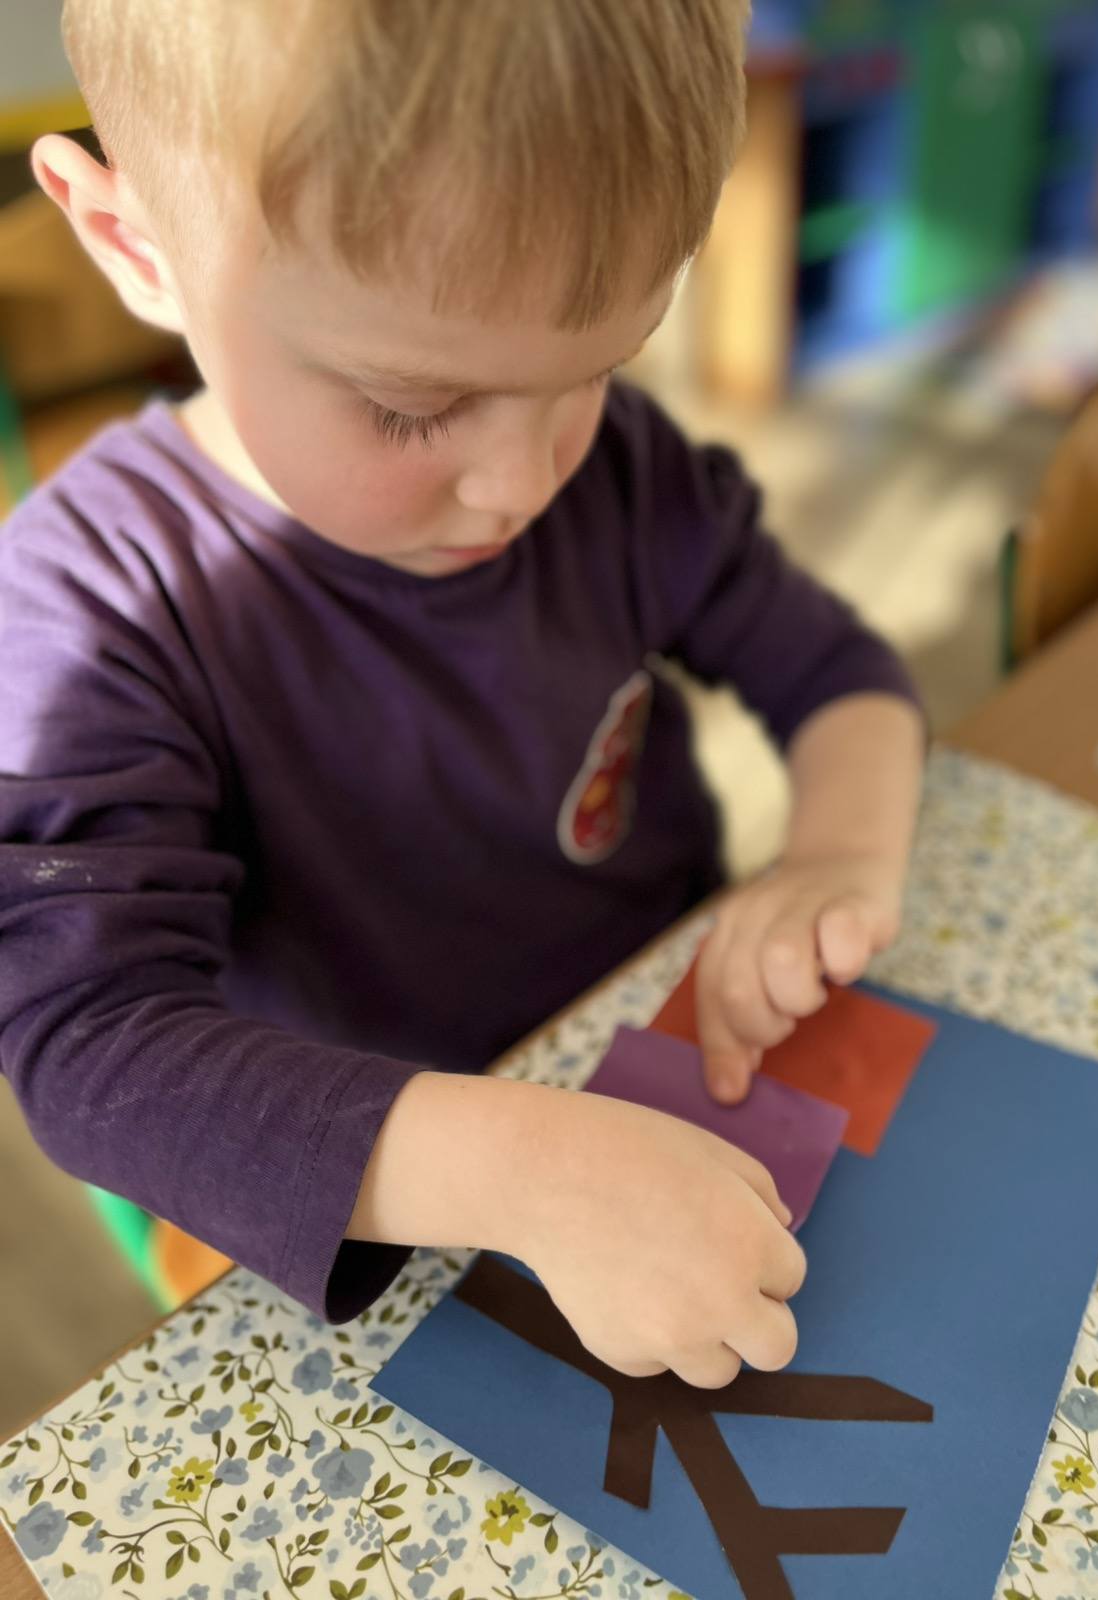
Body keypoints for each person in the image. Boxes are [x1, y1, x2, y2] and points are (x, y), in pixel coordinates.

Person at [0, 0, 924, 1389]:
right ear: (138, 247)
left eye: (594, 369)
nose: (522, 480)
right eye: (413, 407)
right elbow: (92, 1050)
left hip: (659, 1064)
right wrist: (530, 1172)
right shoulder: (89, 610)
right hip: (383, 1206)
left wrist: (840, 855)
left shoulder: (615, 470)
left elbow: (839, 672)